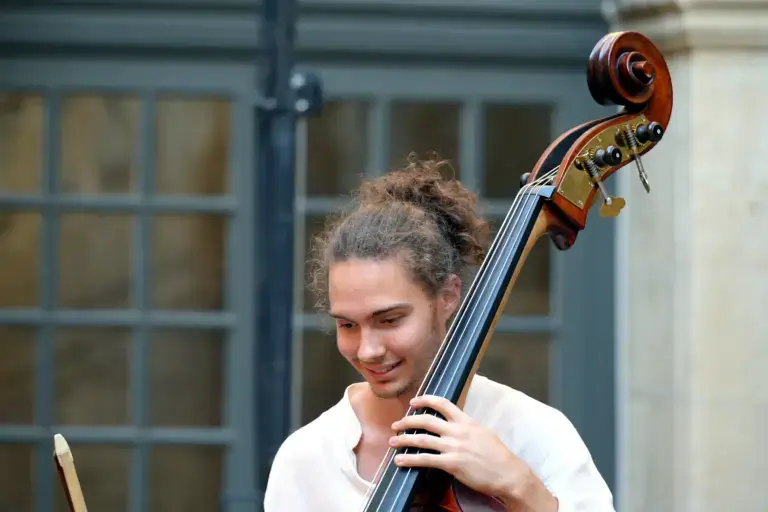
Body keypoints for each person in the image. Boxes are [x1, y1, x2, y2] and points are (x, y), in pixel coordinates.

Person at [263, 156, 615, 511]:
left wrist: (518, 485)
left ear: (447, 297)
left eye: (389, 320)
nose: (367, 350)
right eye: (347, 325)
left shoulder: (532, 431)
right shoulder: (306, 459)